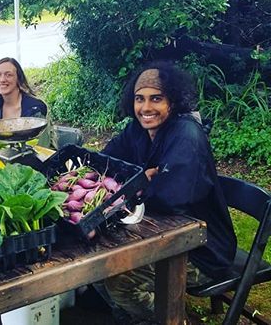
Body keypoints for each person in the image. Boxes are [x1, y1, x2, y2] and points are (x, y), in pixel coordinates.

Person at [101, 61, 236, 322]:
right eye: (140, 99)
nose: (146, 108)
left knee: (119, 283)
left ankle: (176, 320)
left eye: (156, 99)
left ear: (172, 102)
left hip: (202, 249)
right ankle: (137, 318)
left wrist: (138, 183)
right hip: (158, 234)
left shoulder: (186, 135)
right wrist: (145, 177)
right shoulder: (137, 129)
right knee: (100, 269)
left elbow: (169, 199)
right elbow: (106, 160)